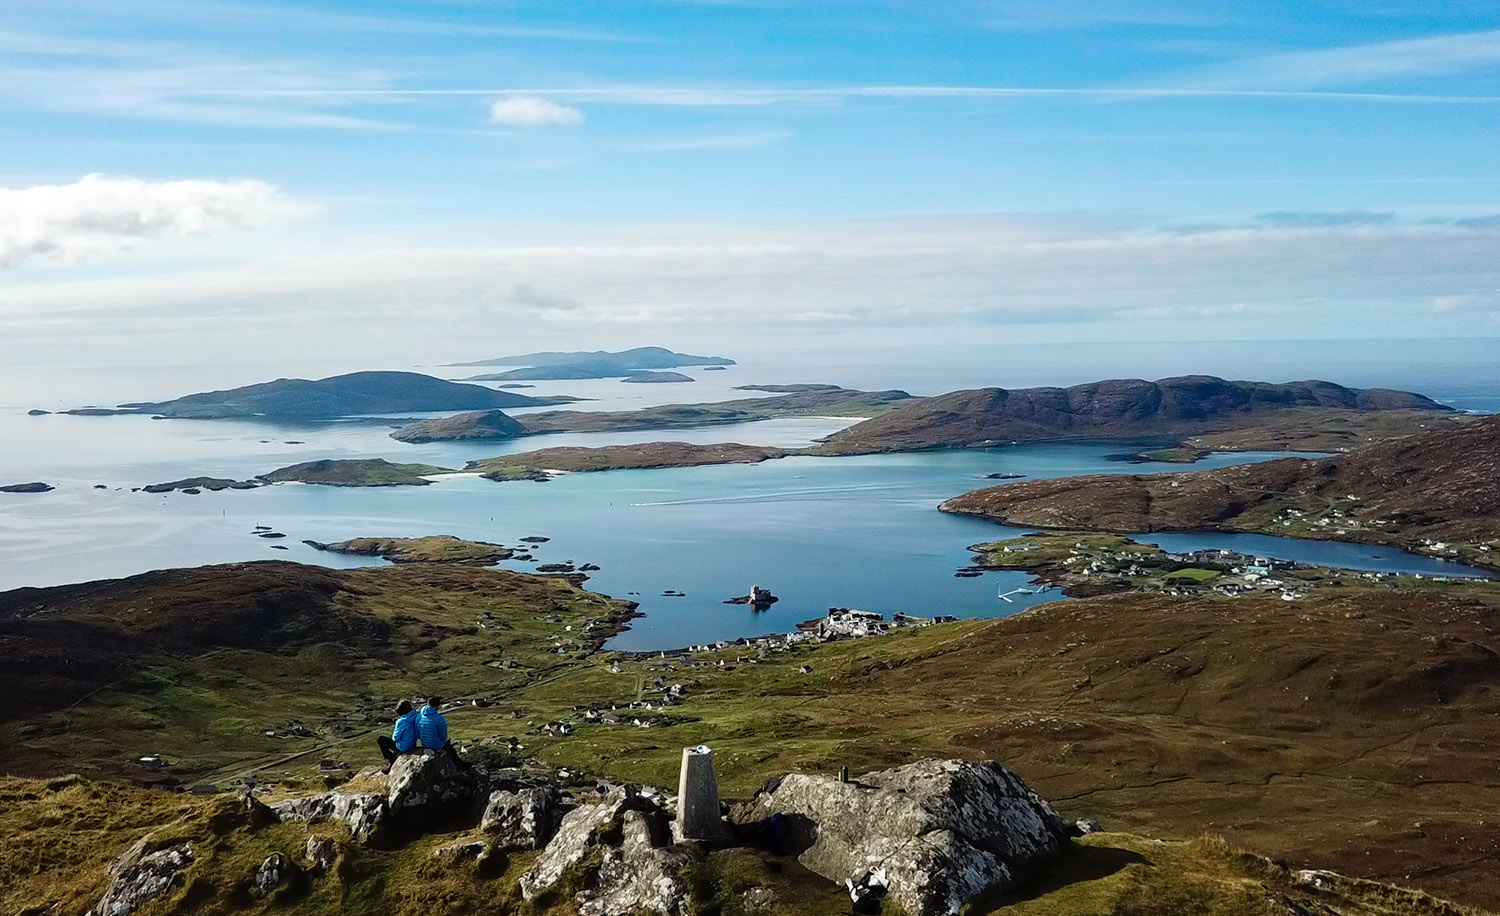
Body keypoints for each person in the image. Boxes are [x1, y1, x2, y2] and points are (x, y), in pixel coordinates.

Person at [417, 696, 473, 771]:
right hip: (435, 745)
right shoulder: (439, 718)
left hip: (425, 744)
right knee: (450, 749)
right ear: (437, 706)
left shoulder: (420, 717)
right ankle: (461, 765)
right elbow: (443, 736)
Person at [377, 700, 418, 772]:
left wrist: (397, 723)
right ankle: (393, 759)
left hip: (403, 747)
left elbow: (395, 738)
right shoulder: (416, 716)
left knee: (381, 739)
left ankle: (391, 760)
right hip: (413, 744)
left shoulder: (402, 721)